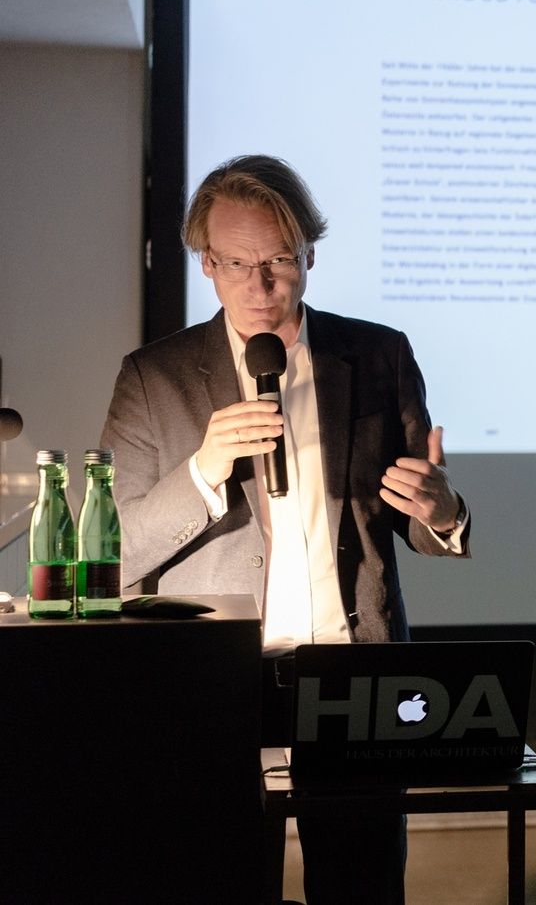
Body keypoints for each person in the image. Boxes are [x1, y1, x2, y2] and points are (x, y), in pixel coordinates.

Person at [100, 154, 469, 905]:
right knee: (218, 878)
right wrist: (203, 470)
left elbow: (419, 522)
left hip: (353, 673)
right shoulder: (154, 376)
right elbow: (114, 551)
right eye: (237, 264)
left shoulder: (378, 354)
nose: (260, 286)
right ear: (207, 264)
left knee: (362, 886)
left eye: (278, 261)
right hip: (216, 675)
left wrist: (443, 513)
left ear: (308, 257)